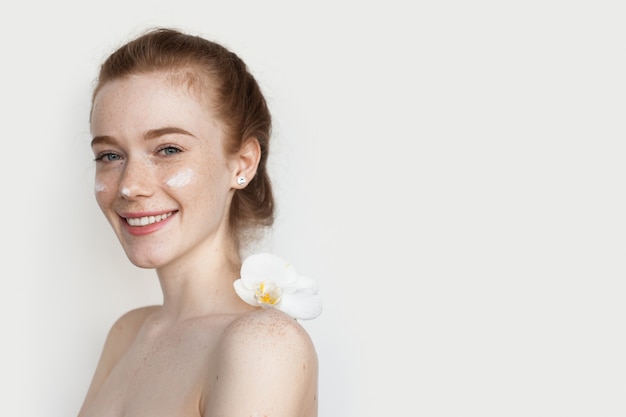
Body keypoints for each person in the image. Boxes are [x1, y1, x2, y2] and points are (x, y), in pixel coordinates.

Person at [78, 27, 320, 417]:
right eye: (109, 155)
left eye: (168, 149)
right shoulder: (127, 334)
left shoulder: (264, 344)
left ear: (242, 164)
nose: (129, 186)